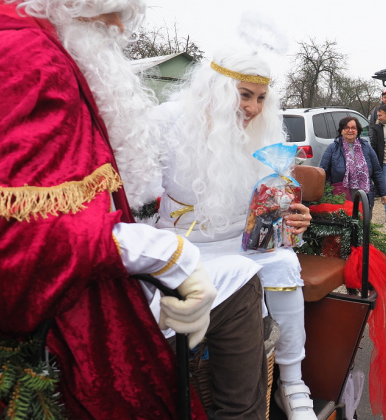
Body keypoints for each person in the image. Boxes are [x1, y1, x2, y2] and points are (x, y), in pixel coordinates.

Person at [0, 1, 215, 418]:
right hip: (52, 346)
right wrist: (164, 253)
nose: (120, 29)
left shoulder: (36, 46)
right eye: (115, 11)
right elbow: (7, 241)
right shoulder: (27, 56)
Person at [153, 36, 318, 419]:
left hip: (243, 243)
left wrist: (294, 221)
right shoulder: (166, 122)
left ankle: (292, 382)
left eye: (261, 99)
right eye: (244, 95)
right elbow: (137, 200)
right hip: (182, 246)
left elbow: (270, 211)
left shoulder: (264, 134)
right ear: (217, 86)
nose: (253, 108)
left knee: (285, 264)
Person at [319, 116, 386, 208]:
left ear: (358, 130)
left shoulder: (366, 147)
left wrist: (383, 192)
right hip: (340, 195)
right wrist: (326, 194)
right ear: (341, 130)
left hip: (364, 194)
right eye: (346, 128)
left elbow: (377, 171)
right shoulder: (333, 148)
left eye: (353, 128)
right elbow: (323, 172)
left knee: (364, 220)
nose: (350, 130)